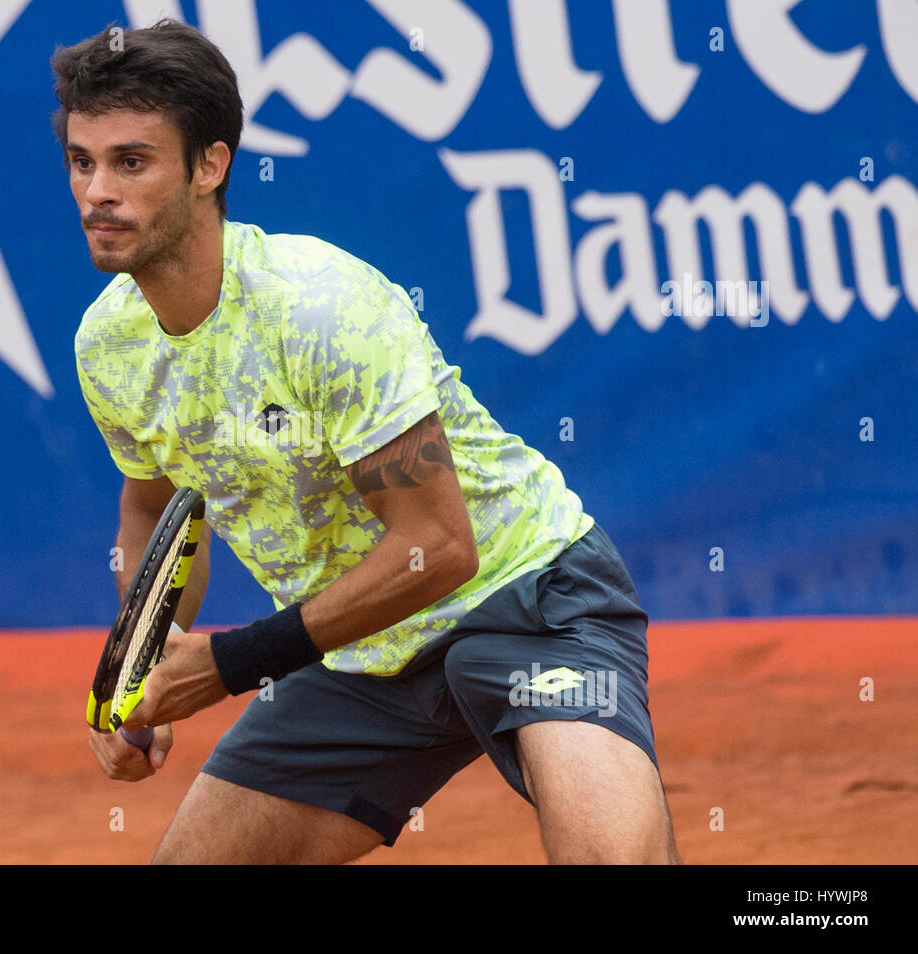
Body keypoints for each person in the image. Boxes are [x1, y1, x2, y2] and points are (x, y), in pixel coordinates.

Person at [58, 18, 679, 864]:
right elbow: (156, 507)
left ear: (211, 165)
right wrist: (141, 660)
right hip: (359, 654)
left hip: (525, 599)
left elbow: (441, 546)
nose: (98, 190)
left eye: (131, 161)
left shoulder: (320, 310)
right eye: (82, 162)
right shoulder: (108, 345)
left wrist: (229, 665)